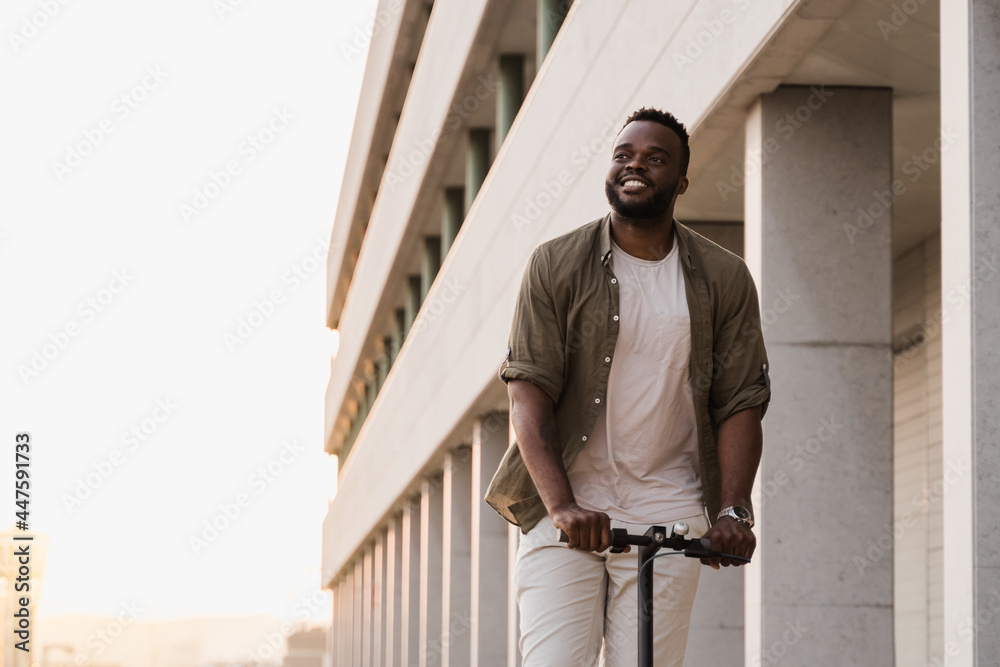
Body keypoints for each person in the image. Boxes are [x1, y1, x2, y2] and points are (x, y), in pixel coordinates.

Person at [485, 107, 771, 666]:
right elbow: (528, 393)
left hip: (669, 510)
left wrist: (734, 511)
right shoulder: (555, 264)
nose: (635, 165)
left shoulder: (724, 276)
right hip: (566, 513)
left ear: (681, 182)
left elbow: (740, 401)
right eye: (624, 155)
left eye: (655, 158)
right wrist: (564, 506)